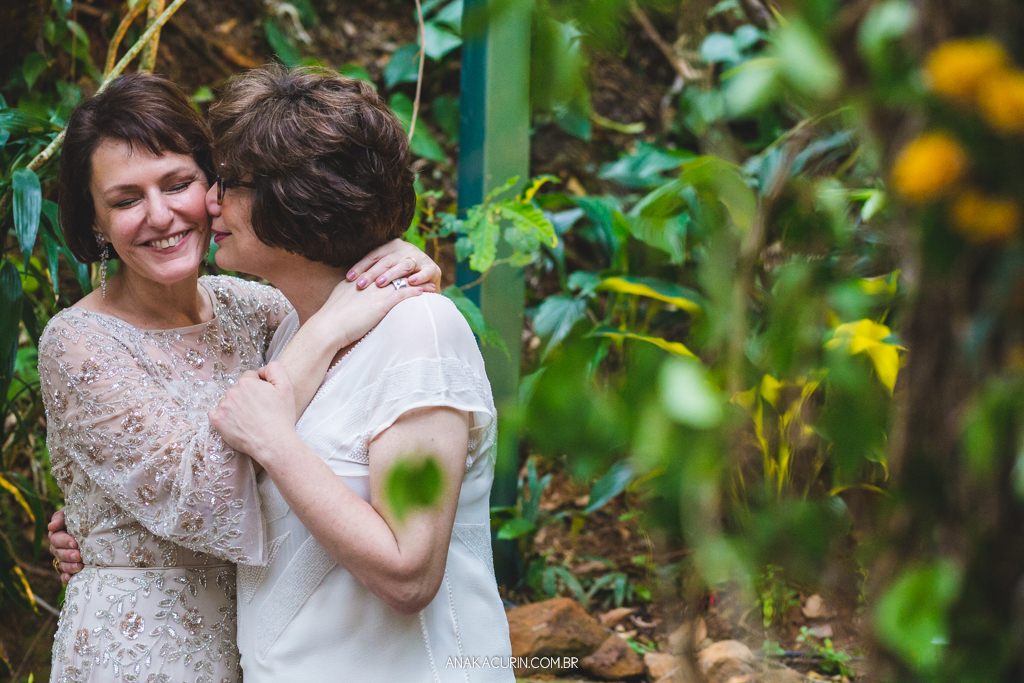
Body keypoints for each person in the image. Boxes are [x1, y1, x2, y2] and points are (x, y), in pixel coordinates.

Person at [55, 64, 515, 682]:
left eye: (192, 183)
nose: (179, 211)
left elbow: (402, 559)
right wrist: (104, 533)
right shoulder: (290, 327)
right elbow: (200, 494)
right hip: (152, 652)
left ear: (291, 200)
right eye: (126, 199)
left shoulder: (267, 314)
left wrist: (401, 261)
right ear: (95, 220)